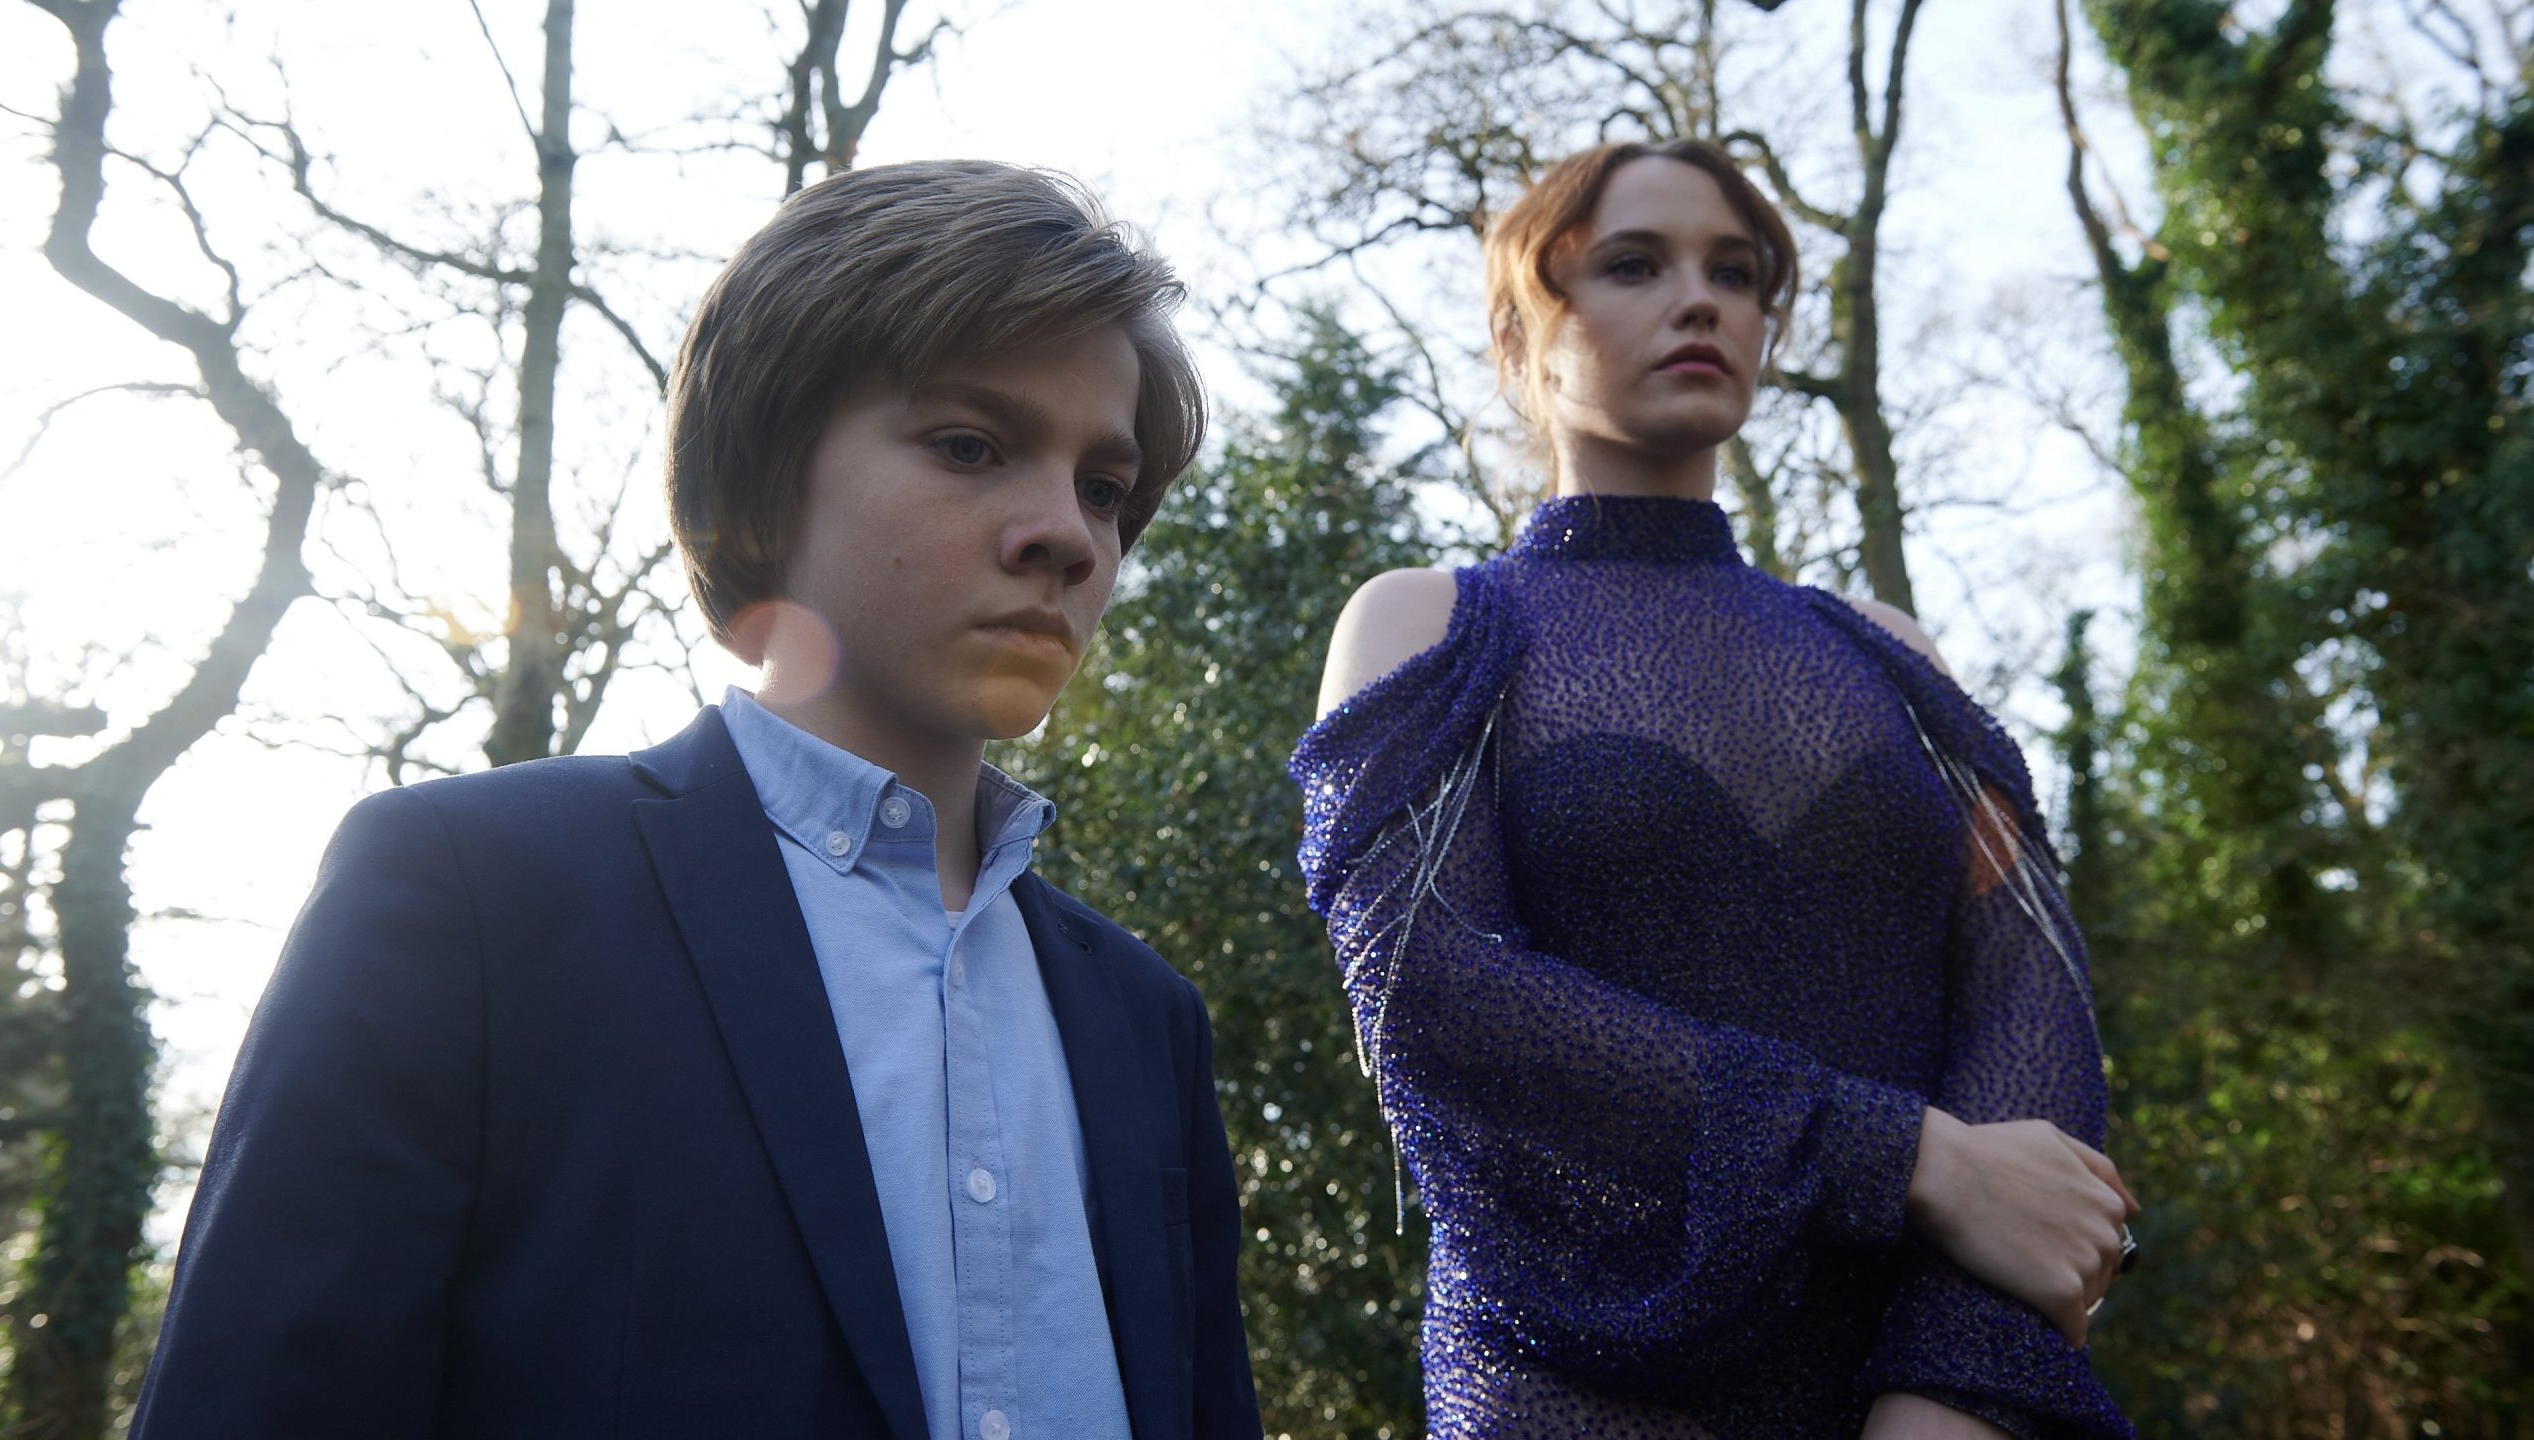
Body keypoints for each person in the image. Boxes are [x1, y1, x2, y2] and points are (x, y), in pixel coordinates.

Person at [133, 160, 1263, 1440]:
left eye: (1105, 488)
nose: (1066, 531)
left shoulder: (1144, 1018)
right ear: (766, 477)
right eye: (970, 444)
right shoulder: (471, 894)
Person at [1291, 139, 2138, 1438]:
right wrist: (1909, 1158)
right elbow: (1430, 992)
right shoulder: (1433, 628)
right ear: (1526, 326)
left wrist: (1960, 1377)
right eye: (1635, 264)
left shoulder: (1888, 654)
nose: (1702, 300)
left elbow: (2033, 991)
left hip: (1921, 1394)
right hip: (1573, 1379)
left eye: (1735, 273)